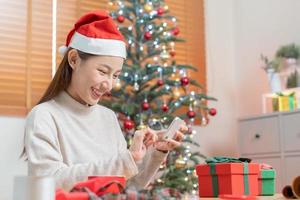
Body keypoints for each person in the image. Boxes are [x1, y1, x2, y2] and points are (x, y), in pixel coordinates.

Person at [23, 10, 187, 191]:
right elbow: (50, 183)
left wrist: (156, 152)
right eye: (102, 71)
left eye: (115, 75)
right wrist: (125, 161)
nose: (109, 85)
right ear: (74, 59)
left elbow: (129, 187)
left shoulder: (108, 117)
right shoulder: (44, 116)